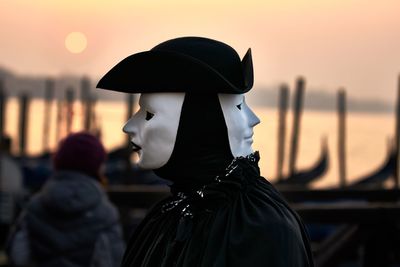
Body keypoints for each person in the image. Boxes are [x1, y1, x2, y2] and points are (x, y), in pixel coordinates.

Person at [97, 37, 314, 266]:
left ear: (197, 125)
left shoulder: (262, 230)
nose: (128, 126)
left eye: (149, 114)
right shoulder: (167, 214)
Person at [6, 132, 125, 267]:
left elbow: (18, 256)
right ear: (98, 167)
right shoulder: (106, 214)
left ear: (58, 161)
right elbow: (111, 260)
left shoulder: (33, 207)